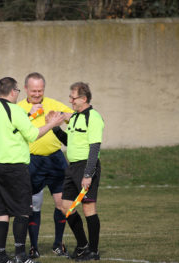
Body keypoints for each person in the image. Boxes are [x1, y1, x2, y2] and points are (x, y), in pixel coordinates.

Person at [0, 77, 65, 263]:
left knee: (1, 212)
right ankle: (20, 255)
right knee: (22, 211)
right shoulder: (15, 110)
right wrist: (52, 123)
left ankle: (0, 256)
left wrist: (29, 117)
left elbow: (9, 129)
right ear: (12, 92)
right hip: (15, 166)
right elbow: (33, 135)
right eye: (18, 90)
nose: (18, 93)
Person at [17, 72, 73, 258]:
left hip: (56, 160)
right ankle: (33, 247)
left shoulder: (52, 103)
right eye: (33, 90)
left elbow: (73, 115)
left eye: (40, 90)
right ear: (26, 89)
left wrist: (61, 115)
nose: (37, 94)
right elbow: (11, 128)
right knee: (34, 206)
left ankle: (58, 244)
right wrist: (28, 114)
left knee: (62, 204)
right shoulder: (18, 108)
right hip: (32, 161)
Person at [51, 82, 104, 261]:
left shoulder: (94, 117)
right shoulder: (74, 117)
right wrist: (55, 128)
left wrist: (88, 174)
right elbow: (69, 141)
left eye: (73, 98)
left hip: (86, 167)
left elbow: (94, 147)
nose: (70, 100)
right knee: (66, 207)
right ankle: (83, 245)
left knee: (89, 208)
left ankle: (93, 251)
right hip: (72, 168)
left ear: (84, 99)